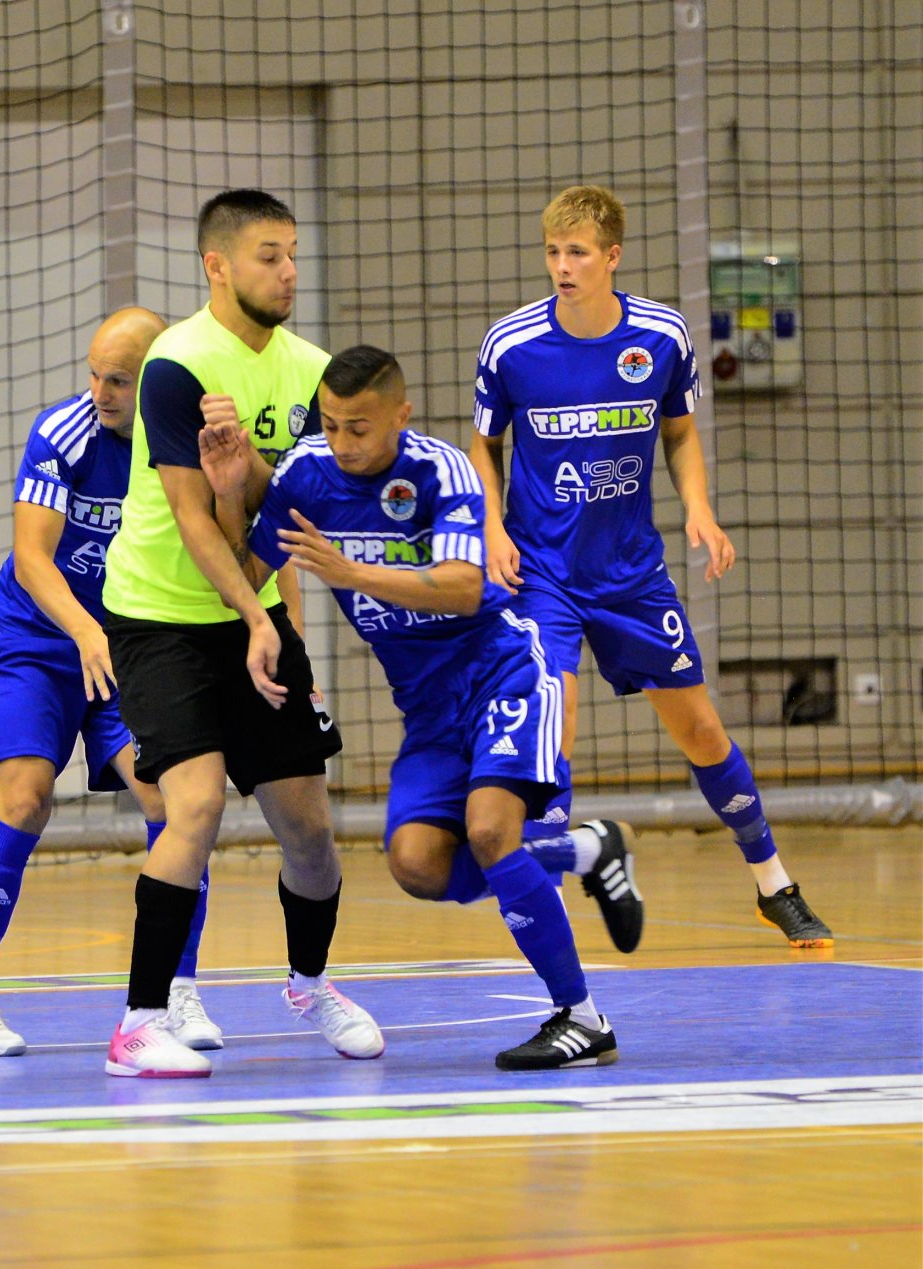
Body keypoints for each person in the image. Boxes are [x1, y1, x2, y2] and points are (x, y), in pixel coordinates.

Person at [206, 345, 640, 1069]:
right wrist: (227, 491)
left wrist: (350, 572)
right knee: (416, 865)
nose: (343, 443)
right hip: (429, 711)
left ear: (399, 418)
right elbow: (248, 570)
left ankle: (582, 1016)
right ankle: (586, 849)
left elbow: (465, 586)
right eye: (333, 424)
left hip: (502, 673)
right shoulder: (306, 472)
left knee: (491, 834)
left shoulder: (443, 471)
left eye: (361, 429)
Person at [469, 185, 831, 947]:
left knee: (701, 730)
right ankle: (557, 908)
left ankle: (774, 882)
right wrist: (493, 528)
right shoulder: (511, 345)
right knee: (551, 735)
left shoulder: (661, 337)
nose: (562, 267)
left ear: (611, 257)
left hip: (631, 573)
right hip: (544, 573)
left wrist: (698, 508)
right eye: (552, 253)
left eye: (576, 253)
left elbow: (679, 434)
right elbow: (485, 446)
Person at [97, 190, 380, 1079]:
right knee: (199, 805)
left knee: (309, 832)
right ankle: (140, 1022)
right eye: (268, 255)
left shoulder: (315, 372)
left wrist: (279, 619)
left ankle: (310, 983)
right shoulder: (176, 365)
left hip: (254, 612)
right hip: (161, 617)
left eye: (293, 253)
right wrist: (258, 616)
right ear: (217, 265)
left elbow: (287, 511)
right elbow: (191, 515)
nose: (288, 270)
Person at [0, 308, 226, 1057]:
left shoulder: (181, 443)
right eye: (93, 373)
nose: (100, 390)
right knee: (24, 799)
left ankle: (175, 992)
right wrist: (84, 630)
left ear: (155, 376)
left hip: (130, 644)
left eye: (119, 380)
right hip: (42, 642)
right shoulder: (62, 436)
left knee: (173, 798)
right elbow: (33, 558)